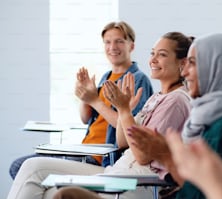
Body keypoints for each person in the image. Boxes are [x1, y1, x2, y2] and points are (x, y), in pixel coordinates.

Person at [7, 31, 193, 199]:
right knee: (33, 167)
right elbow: (122, 142)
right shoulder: (158, 97)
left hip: (136, 181)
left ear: (182, 63)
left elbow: (143, 156)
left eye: (162, 55)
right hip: (119, 172)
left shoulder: (175, 101)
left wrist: (125, 110)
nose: (153, 59)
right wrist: (122, 110)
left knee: (49, 189)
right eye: (152, 53)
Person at [9, 21, 154, 179]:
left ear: (131, 46)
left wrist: (94, 101)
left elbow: (129, 128)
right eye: (107, 42)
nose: (112, 47)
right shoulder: (106, 77)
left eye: (119, 41)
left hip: (103, 157)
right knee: (21, 166)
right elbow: (86, 119)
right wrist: (85, 96)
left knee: (19, 166)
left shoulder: (138, 79)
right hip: (86, 148)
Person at [124, 33, 222, 198]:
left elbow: (205, 194)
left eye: (193, 63)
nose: (185, 72)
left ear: (216, 68)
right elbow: (198, 187)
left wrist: (165, 156)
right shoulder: (215, 120)